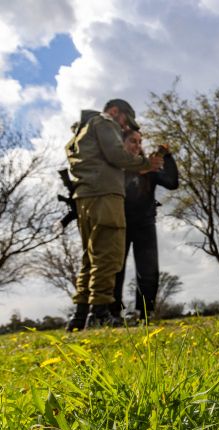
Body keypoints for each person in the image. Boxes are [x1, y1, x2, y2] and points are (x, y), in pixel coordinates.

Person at [65, 99, 164, 331]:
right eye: (125, 121)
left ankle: (80, 315)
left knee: (90, 257)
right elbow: (116, 156)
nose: (124, 128)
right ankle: (98, 313)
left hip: (84, 196)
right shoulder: (104, 122)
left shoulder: (81, 132)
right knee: (109, 255)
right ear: (114, 111)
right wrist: (145, 163)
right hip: (105, 194)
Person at [110, 130, 179, 321]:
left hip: (145, 223)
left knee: (148, 270)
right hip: (119, 224)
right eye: (132, 141)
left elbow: (172, 182)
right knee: (116, 269)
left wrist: (168, 156)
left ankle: (145, 312)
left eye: (140, 142)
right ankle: (113, 313)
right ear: (121, 143)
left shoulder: (149, 168)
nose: (137, 145)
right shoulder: (114, 166)